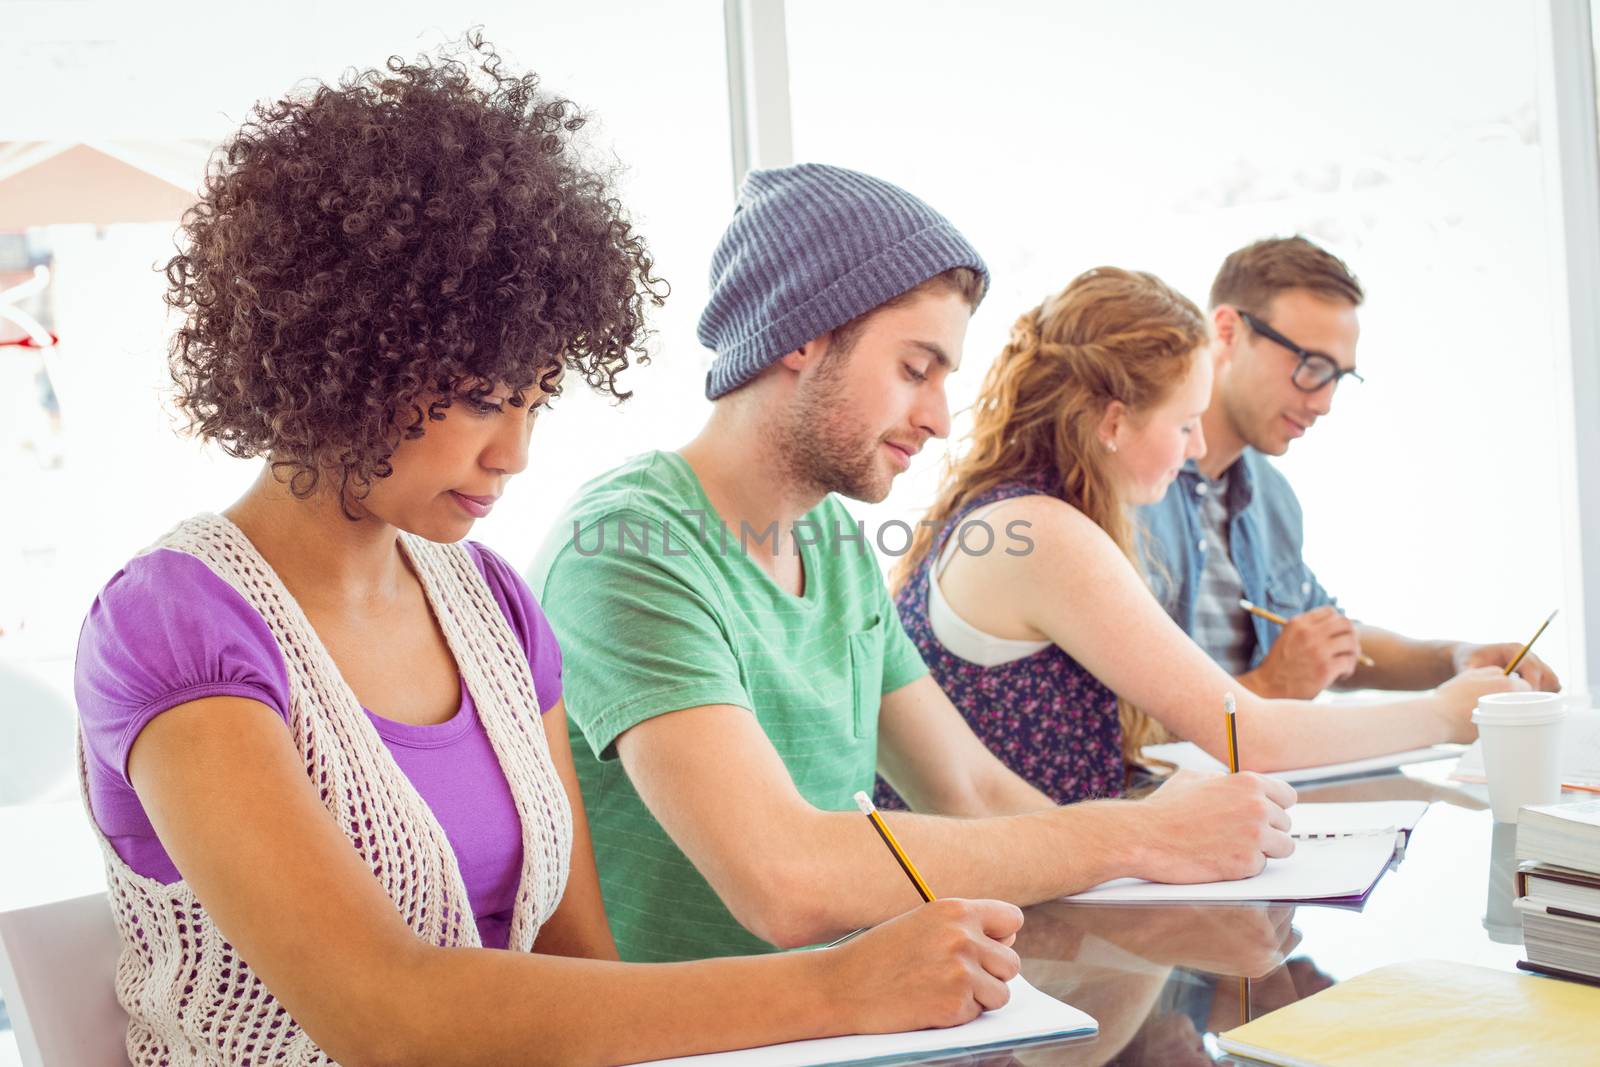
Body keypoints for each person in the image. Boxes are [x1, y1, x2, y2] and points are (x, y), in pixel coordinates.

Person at [74, 43, 1027, 1066]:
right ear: (342, 355)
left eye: (533, 402)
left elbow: (584, 971)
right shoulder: (177, 624)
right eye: (484, 398)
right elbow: (384, 1013)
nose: (514, 452)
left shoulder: (492, 605)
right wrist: (838, 983)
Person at [528, 164, 1297, 965]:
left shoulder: (829, 540)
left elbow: (968, 789)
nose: (936, 418)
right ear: (802, 333)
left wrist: (1151, 884)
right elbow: (783, 880)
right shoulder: (625, 548)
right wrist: (1136, 833)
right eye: (914, 369)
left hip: (853, 1027)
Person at [881, 267, 1520, 805]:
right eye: (1186, 424)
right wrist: (1446, 714)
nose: (1200, 447)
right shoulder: (1043, 533)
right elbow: (1252, 736)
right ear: (1113, 422)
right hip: (1015, 913)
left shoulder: (1017, 513)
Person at [1141, 236, 1559, 699]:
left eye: (1338, 377)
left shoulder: (1271, 498)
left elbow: (1336, 641)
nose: (1323, 403)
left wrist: (1456, 658)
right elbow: (1117, 717)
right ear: (1228, 331)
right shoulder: (1131, 481)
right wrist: (1270, 686)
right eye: (1312, 366)